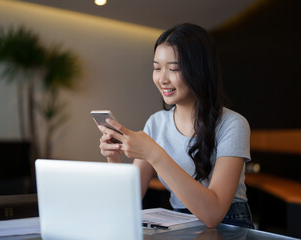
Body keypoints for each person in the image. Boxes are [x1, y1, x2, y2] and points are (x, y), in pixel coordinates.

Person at [97, 23, 254, 229]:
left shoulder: (233, 124)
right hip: (179, 224)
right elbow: (126, 205)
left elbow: (214, 213)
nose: (162, 79)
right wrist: (113, 157)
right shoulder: (155, 123)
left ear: (200, 69)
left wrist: (154, 154)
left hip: (229, 226)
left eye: (173, 69)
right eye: (156, 68)